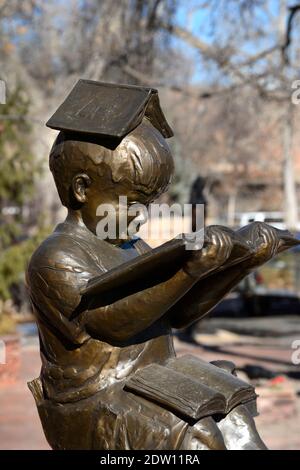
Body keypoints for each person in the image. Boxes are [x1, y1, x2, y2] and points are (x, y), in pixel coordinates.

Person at [26, 81, 281, 450]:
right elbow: (112, 323)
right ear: (81, 189)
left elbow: (177, 314)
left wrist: (237, 265)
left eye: (147, 204)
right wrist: (188, 271)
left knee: (238, 418)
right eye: (132, 203)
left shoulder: (133, 245)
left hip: (151, 380)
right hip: (93, 403)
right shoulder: (57, 258)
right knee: (200, 438)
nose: (141, 215)